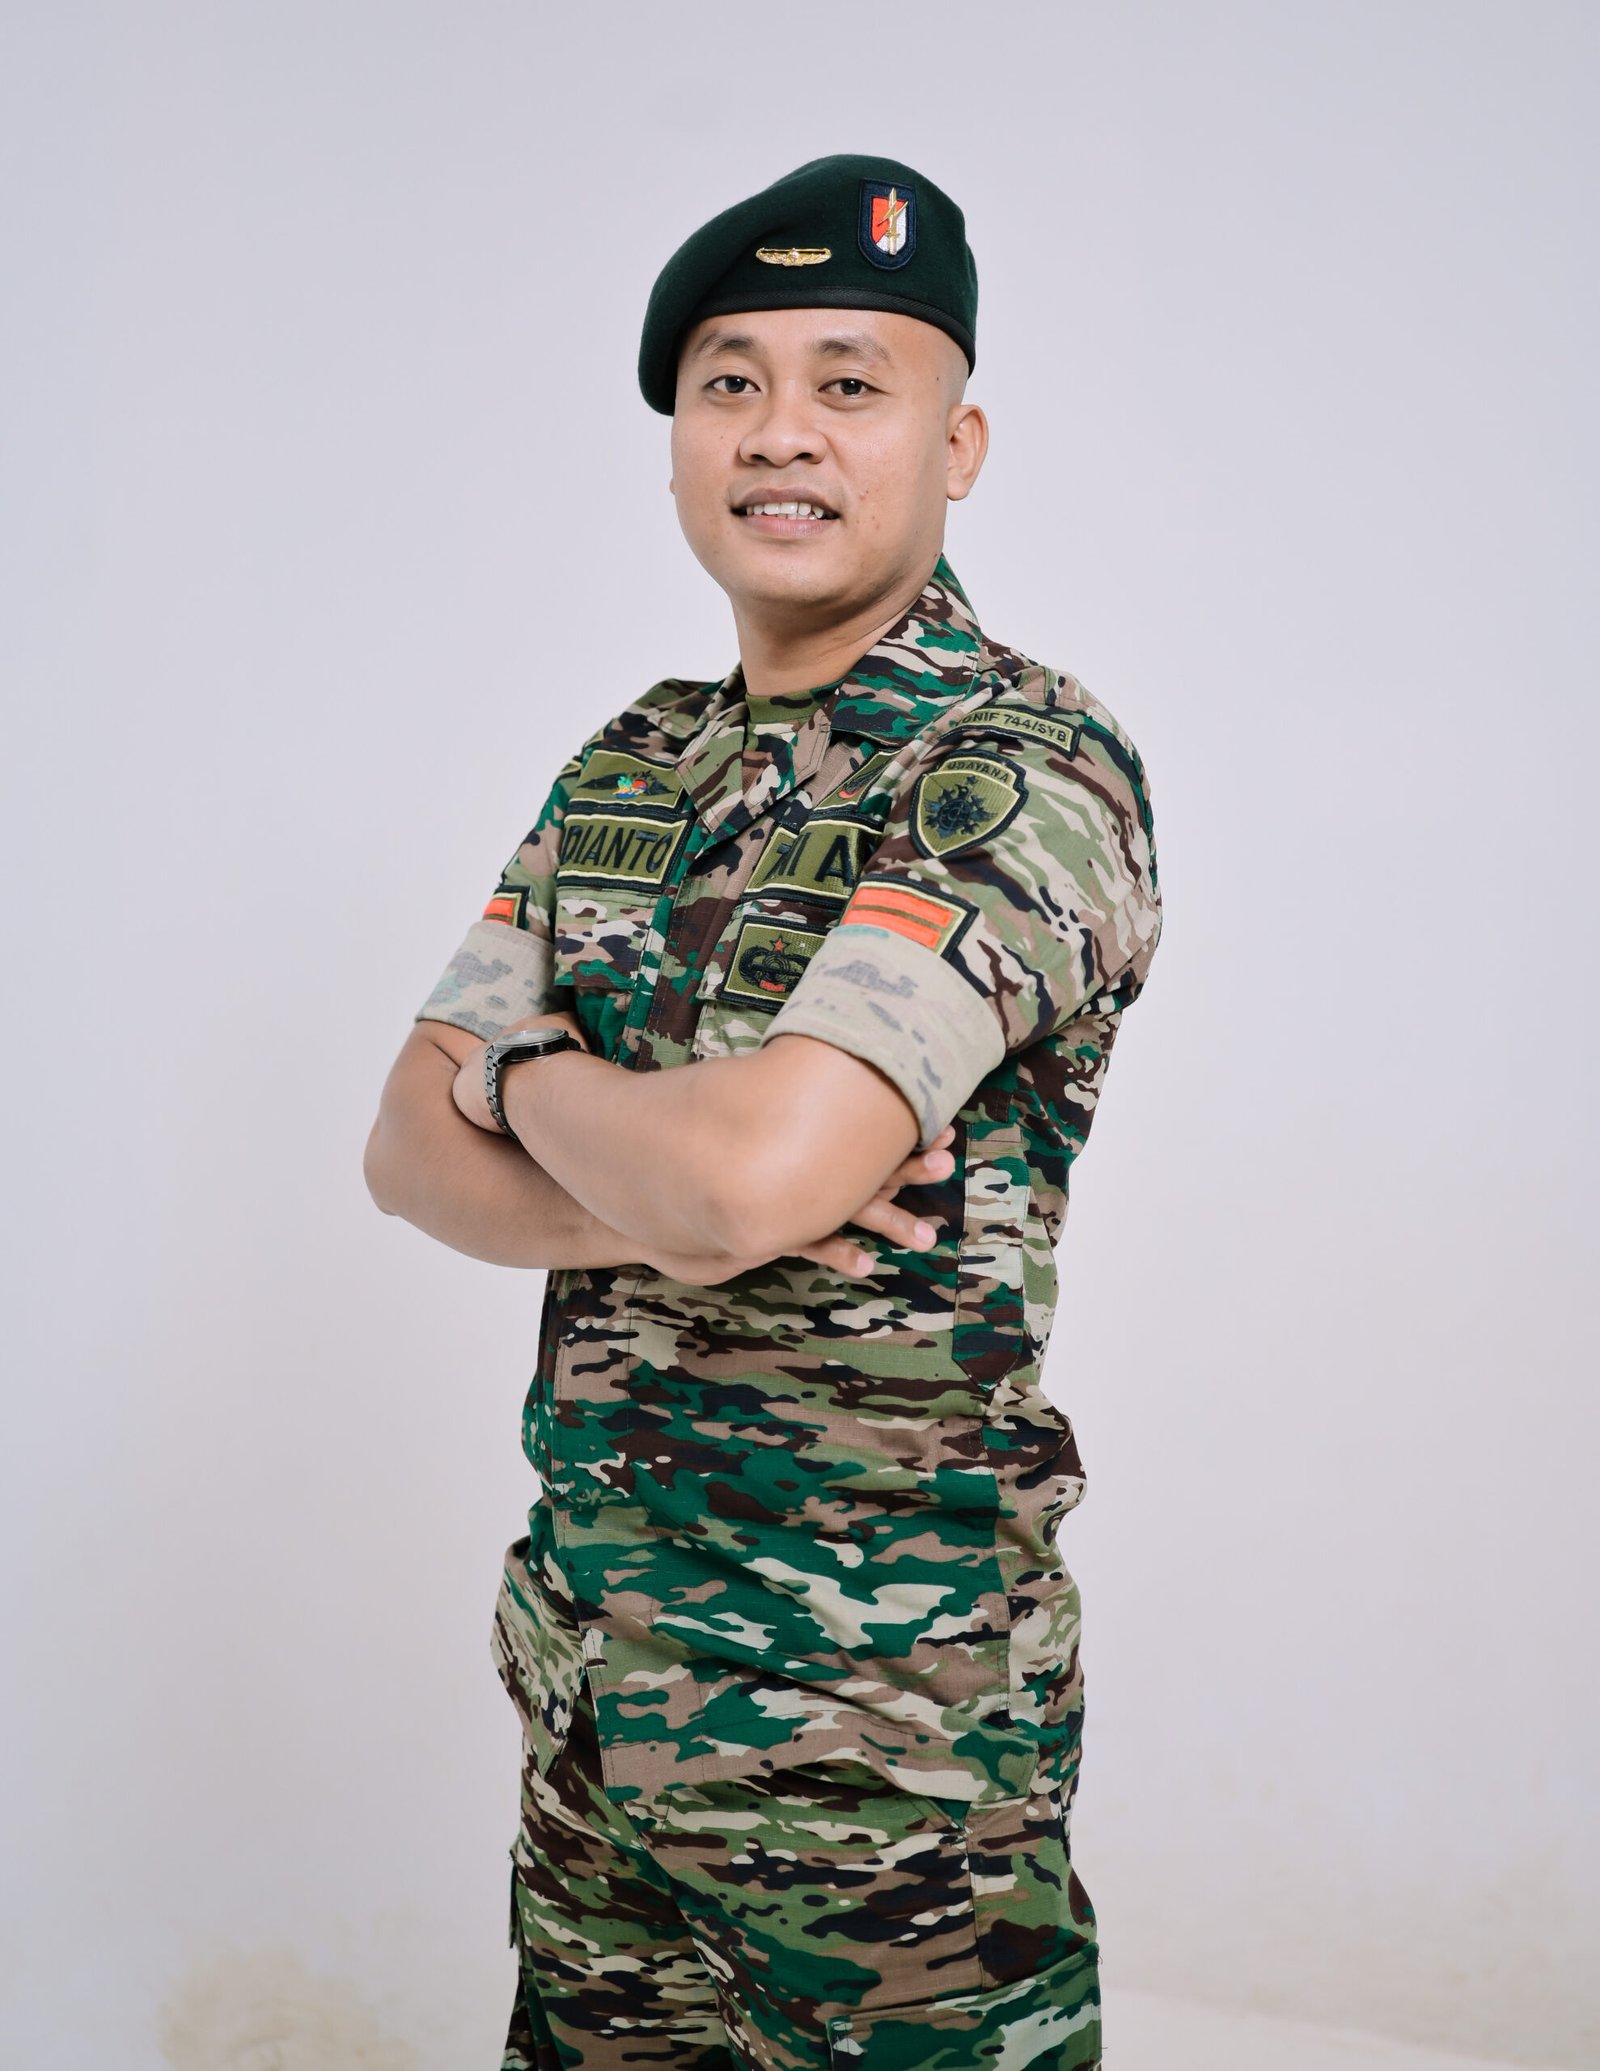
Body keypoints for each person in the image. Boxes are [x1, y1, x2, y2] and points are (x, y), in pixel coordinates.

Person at [365, 152, 1163, 2071]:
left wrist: (528, 1073)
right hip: (600, 1714)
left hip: (883, 1766)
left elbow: (743, 1179)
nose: (780, 431)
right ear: (677, 445)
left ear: (956, 446)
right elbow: (403, 1152)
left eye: (847, 383)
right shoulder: (632, 766)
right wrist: (665, 1179)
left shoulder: (1020, 771)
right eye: (731, 382)